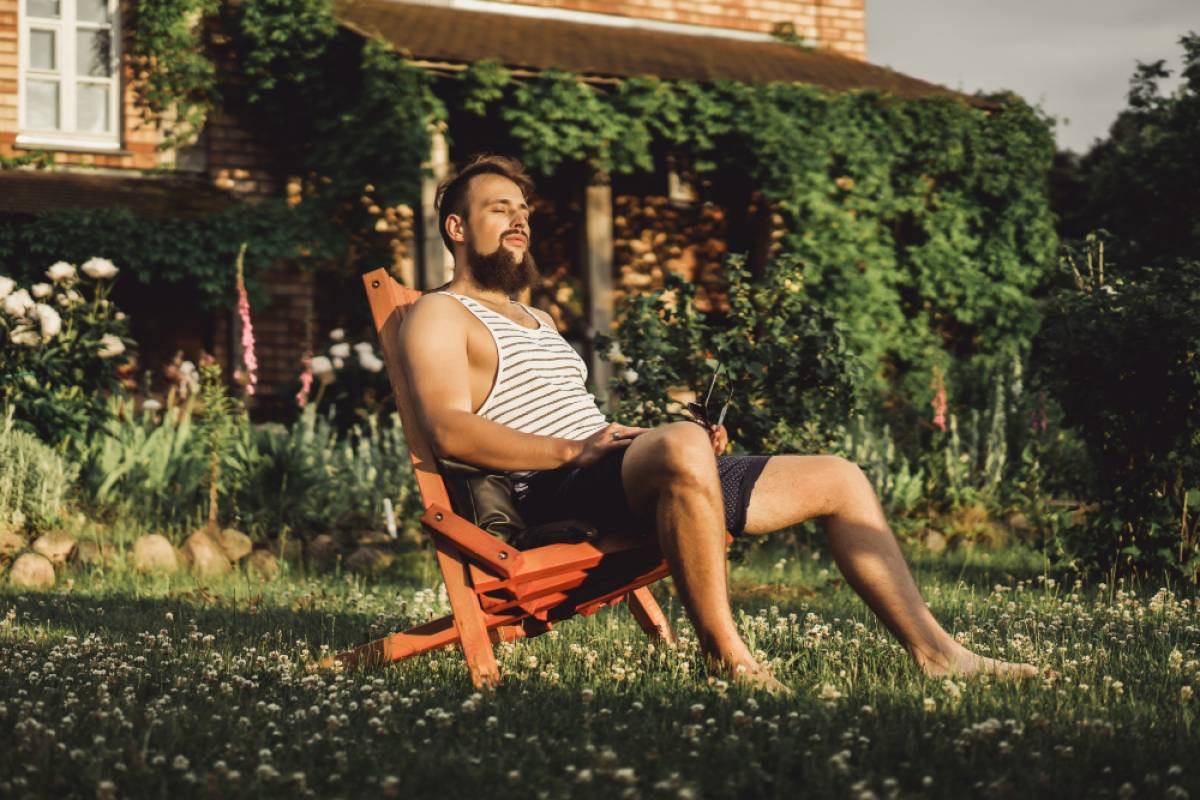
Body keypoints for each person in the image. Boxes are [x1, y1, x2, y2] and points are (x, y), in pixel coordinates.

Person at [399, 153, 1039, 693]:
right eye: (498, 209)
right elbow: (450, 430)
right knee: (678, 442)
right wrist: (579, 451)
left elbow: (579, 420)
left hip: (607, 468)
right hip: (548, 490)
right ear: (456, 227)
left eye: (523, 210)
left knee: (840, 477)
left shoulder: (537, 319)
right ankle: (726, 658)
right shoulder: (439, 314)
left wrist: (665, 446)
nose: (519, 221)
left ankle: (936, 653)